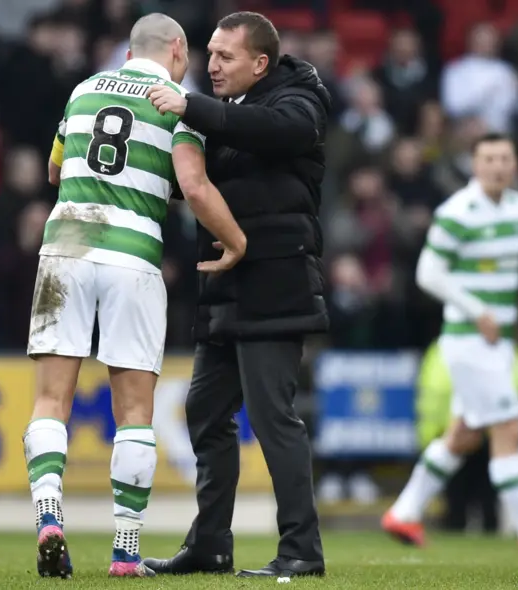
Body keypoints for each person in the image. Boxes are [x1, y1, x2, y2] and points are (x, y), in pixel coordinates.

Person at [22, 13, 246, 580]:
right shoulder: (180, 100)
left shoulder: (83, 89)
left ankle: (49, 515)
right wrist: (234, 239)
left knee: (51, 400)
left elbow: (54, 170)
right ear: (176, 49)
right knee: (134, 412)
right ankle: (125, 550)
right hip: (134, 255)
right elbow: (191, 185)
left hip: (66, 244)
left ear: (128, 49)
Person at [144, 11, 331, 578]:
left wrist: (194, 108)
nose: (212, 65)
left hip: (276, 281)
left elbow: (284, 133)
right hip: (224, 284)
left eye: (226, 57)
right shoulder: (233, 112)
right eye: (210, 54)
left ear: (260, 63)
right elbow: (198, 180)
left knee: (273, 417)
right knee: (203, 411)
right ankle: (211, 544)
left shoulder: (300, 98)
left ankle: (302, 550)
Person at [382, 133, 518, 548]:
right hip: (468, 340)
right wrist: (476, 309)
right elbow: (428, 273)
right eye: (489, 159)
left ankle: (404, 512)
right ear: (475, 164)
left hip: (498, 342)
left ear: (515, 164)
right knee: (509, 427)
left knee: (463, 435)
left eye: (505, 158)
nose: (498, 166)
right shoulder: (458, 212)